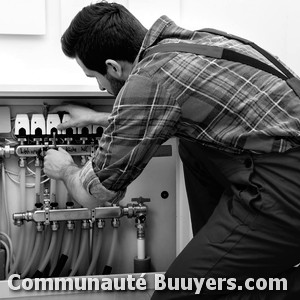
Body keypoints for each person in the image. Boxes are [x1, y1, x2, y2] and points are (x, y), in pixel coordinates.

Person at [43, 1, 300, 299]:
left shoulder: (147, 82)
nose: (100, 87)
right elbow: (167, 113)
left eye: (95, 77)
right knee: (190, 145)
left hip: (285, 190)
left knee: (175, 294)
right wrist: (101, 119)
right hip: (281, 164)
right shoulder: (191, 42)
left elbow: (96, 192)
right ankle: (225, 260)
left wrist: (64, 169)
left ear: (112, 66)